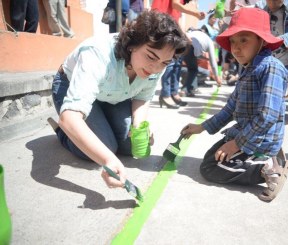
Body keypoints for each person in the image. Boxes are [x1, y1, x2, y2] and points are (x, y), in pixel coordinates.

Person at [47, 10, 187, 188]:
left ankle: (100, 122)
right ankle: (63, 134)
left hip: (113, 95)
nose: (155, 68)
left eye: (165, 63)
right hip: (68, 85)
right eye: (151, 56)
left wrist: (138, 126)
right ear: (132, 44)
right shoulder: (97, 54)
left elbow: (143, 97)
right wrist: (107, 159)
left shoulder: (158, 64)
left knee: (131, 146)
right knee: (103, 148)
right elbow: (70, 117)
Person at [181, 8, 288, 202]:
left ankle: (269, 167)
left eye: (244, 40)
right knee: (212, 157)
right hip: (245, 134)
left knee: (210, 168)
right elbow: (230, 108)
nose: (236, 48)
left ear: (262, 41)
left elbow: (267, 116)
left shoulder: (271, 68)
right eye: (232, 41)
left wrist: (237, 143)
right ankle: (260, 161)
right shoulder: (248, 69)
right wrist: (202, 127)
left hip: (259, 141)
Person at [152, 0, 205, 109]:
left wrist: (183, 34)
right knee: (170, 64)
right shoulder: (178, 3)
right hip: (162, 23)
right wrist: (195, 13)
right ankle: (166, 94)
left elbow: (175, 17)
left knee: (177, 64)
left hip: (170, 25)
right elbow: (175, 4)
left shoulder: (180, 4)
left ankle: (173, 93)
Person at [182, 29, 222, 97]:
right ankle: (185, 90)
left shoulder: (203, 37)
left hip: (183, 43)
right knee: (193, 70)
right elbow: (213, 64)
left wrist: (207, 59)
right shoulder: (210, 43)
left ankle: (189, 89)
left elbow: (196, 55)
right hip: (191, 45)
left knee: (191, 69)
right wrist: (217, 77)